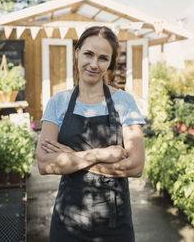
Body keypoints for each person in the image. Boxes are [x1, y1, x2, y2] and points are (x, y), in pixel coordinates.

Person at [36, 26, 146, 242]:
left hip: (115, 223)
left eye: (103, 58)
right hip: (67, 221)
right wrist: (101, 154)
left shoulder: (124, 102)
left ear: (110, 63)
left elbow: (135, 166)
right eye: (88, 54)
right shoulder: (58, 103)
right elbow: (44, 163)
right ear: (77, 52)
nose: (94, 64)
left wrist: (70, 156)